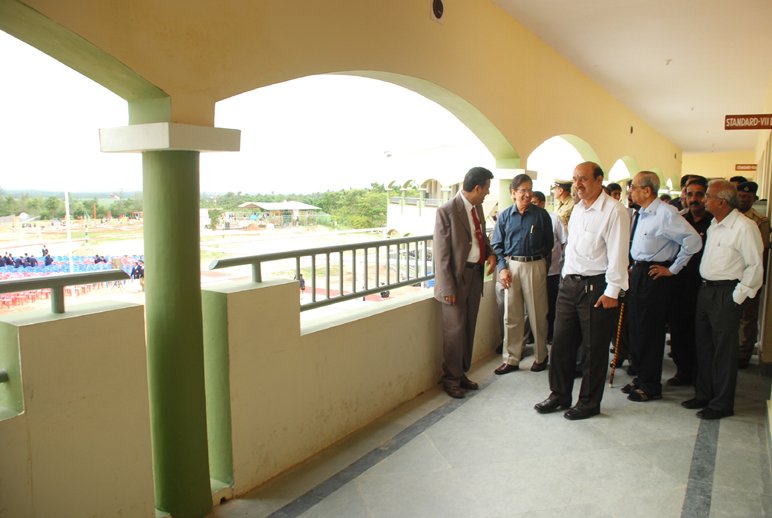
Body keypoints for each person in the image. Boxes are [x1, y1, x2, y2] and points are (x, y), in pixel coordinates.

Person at [534, 161, 629, 420]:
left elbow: (618, 254)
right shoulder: (578, 209)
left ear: (599, 180)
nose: (578, 184)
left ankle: (589, 402)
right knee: (561, 344)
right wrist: (565, 278)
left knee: (593, 349)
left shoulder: (614, 211)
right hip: (569, 285)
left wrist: (612, 292)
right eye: (575, 179)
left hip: (596, 287)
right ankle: (559, 394)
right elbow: (573, 248)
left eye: (584, 178)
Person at [682, 180, 763, 419]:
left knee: (724, 352)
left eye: (708, 195)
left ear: (722, 202)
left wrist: (737, 296)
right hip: (706, 291)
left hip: (726, 293)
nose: (703, 199)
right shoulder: (714, 224)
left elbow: (755, 266)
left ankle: (721, 404)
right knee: (704, 346)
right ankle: (704, 394)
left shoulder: (744, 227)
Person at [624, 171, 702, 402]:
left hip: (655, 275)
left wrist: (673, 268)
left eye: (634, 187)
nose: (630, 191)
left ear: (647, 190)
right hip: (638, 272)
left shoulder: (665, 213)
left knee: (650, 331)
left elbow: (693, 241)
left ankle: (650, 385)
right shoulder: (642, 213)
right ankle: (641, 376)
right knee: (636, 327)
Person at [433, 166, 496, 399]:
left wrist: (490, 253)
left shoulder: (477, 207)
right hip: (456, 280)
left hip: (475, 275)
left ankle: (461, 374)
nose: (488, 193)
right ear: (477, 187)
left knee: (468, 327)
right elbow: (441, 254)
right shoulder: (447, 211)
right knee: (454, 331)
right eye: (487, 188)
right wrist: (447, 287)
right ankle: (450, 379)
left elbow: (481, 237)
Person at [491, 175, 553, 374]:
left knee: (538, 314)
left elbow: (549, 243)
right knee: (511, 315)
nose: (528, 194)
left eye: (530, 189)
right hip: (511, 267)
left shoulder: (541, 215)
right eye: (523, 190)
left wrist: (541, 265)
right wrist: (502, 268)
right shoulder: (504, 216)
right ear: (513, 193)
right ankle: (511, 359)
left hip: (535, 265)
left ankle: (541, 356)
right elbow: (497, 245)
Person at [667, 177, 712, 386]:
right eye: (689, 194)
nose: (694, 199)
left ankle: (700, 376)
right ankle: (682, 372)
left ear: (706, 197)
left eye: (699, 195)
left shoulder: (713, 222)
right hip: (679, 284)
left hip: (703, 285)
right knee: (679, 330)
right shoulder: (680, 220)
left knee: (700, 333)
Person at [736, 181, 770, 368]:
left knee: (747, 317)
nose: (743, 199)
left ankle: (743, 354)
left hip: (748, 274)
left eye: (747, 197)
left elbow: (760, 252)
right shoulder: (727, 216)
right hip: (729, 275)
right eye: (741, 196)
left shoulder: (760, 221)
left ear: (754, 199)